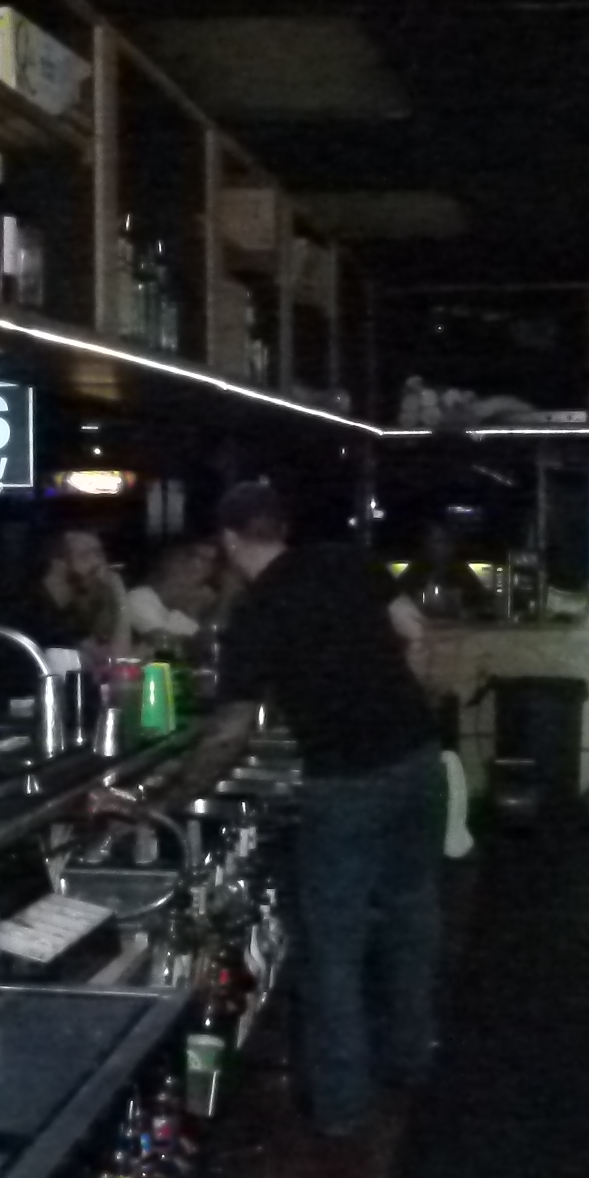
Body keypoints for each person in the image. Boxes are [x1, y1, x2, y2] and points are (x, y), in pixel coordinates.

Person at [179, 482, 442, 1138]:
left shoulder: (255, 612)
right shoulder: (344, 559)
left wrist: (171, 798)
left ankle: (343, 1106)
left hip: (345, 781)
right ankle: (410, 1059)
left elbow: (229, 733)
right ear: (281, 527)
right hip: (417, 759)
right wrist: (398, 699)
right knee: (411, 916)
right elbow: (416, 631)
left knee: (333, 948)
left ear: (230, 540)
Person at [14, 527, 129, 665]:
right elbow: (111, 664)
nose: (97, 564)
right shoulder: (30, 615)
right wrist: (118, 590)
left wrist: (118, 594)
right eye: (85, 556)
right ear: (57, 565)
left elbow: (113, 659)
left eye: (99, 555)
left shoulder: (67, 615)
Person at [123, 540, 222, 656]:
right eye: (191, 557)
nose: (197, 567)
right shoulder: (140, 597)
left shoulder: (186, 617)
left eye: (209, 564)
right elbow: (161, 643)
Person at [396, 520, 493, 621]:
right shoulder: (416, 569)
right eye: (430, 542)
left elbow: (481, 604)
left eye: (440, 542)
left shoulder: (460, 570)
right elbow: (399, 599)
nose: (434, 547)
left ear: (451, 546)